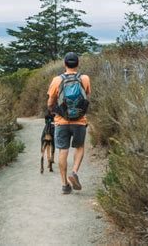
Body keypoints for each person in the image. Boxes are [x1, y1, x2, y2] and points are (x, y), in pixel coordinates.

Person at [47, 52, 91, 194]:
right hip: (79, 121)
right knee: (79, 147)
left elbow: (50, 102)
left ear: (65, 64)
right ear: (78, 64)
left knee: (63, 150)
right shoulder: (84, 78)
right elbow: (87, 97)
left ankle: (65, 184)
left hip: (61, 121)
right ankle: (74, 171)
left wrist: (53, 110)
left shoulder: (57, 80)